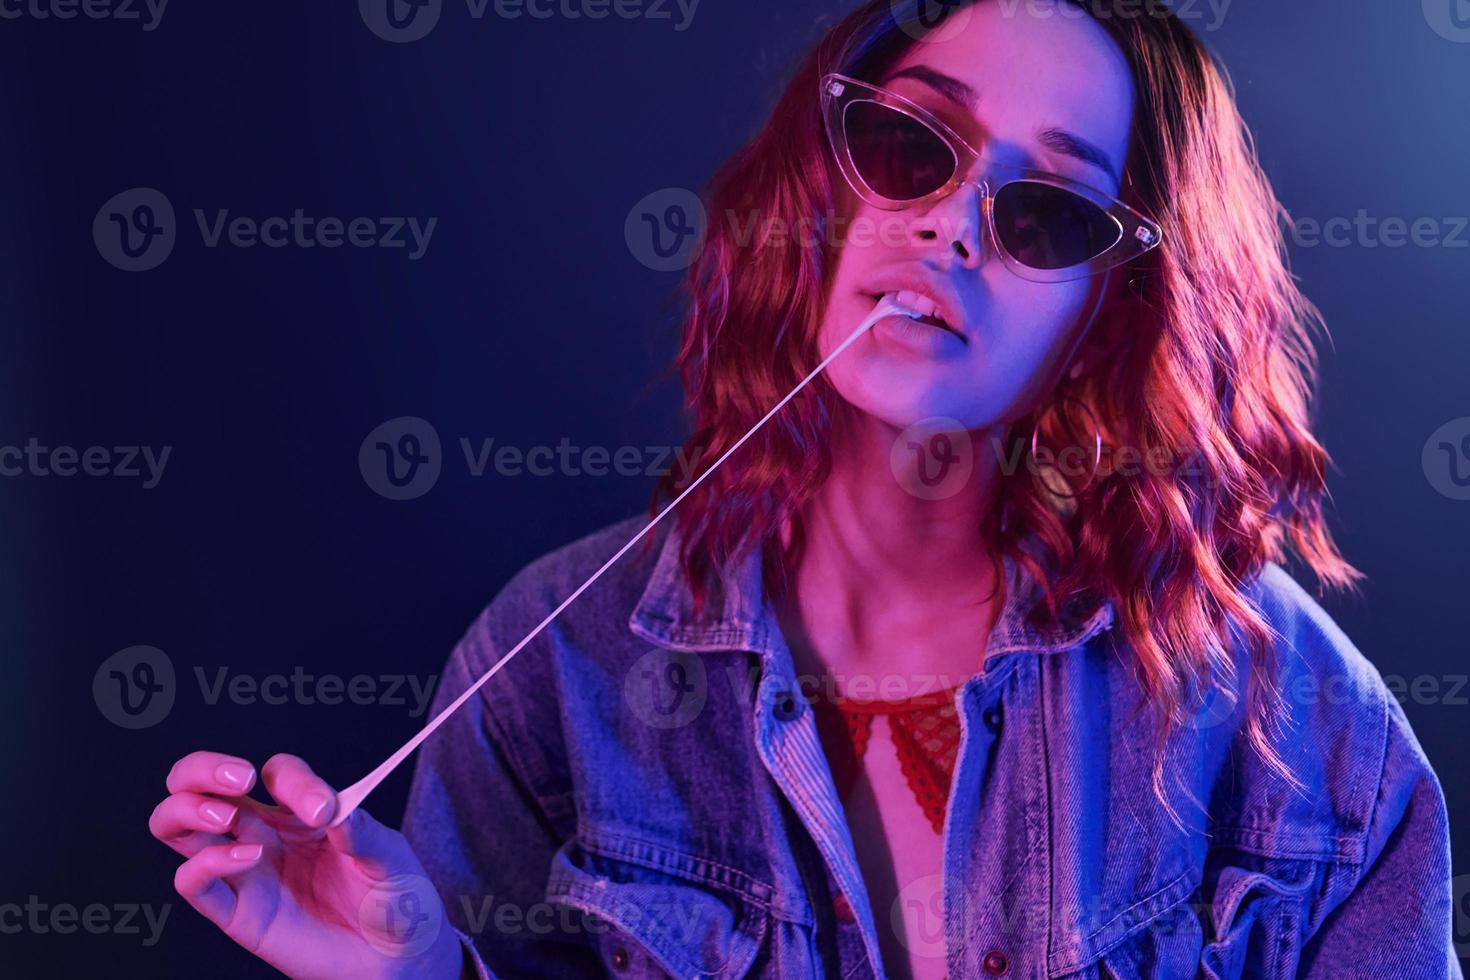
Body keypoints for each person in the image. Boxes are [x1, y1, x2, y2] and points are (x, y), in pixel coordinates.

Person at [147, 2, 1462, 977]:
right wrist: (413, 974)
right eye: (910, 145)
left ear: (1111, 314)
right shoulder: (557, 660)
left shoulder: (1282, 705)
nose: (950, 223)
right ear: (817, 185)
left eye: (1047, 211)